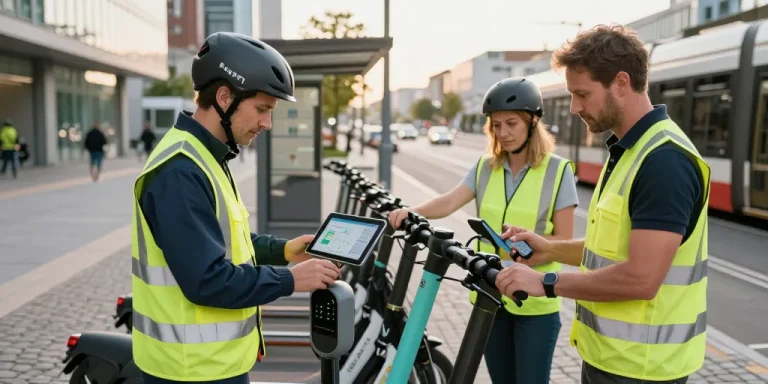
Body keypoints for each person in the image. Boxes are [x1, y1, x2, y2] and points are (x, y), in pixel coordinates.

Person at [495, 24, 710, 384]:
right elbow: (612, 249)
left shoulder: (664, 161)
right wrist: (549, 248)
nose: (575, 107)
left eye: (582, 94)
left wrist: (546, 283)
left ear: (621, 83)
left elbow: (641, 279)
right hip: (612, 361)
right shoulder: (629, 151)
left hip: (642, 369)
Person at [131, 32, 341, 384]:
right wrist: (291, 279)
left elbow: (222, 242)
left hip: (211, 365)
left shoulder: (206, 156)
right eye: (261, 109)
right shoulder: (181, 172)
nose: (267, 124)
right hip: (191, 371)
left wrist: (282, 251)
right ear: (225, 97)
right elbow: (207, 280)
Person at [388, 77, 578, 383]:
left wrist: (534, 246)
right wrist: (412, 211)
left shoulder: (558, 171)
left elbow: (565, 241)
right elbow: (449, 201)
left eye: (511, 123)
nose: (503, 133)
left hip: (535, 304)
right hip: (490, 295)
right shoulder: (485, 167)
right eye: (496, 125)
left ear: (533, 122)